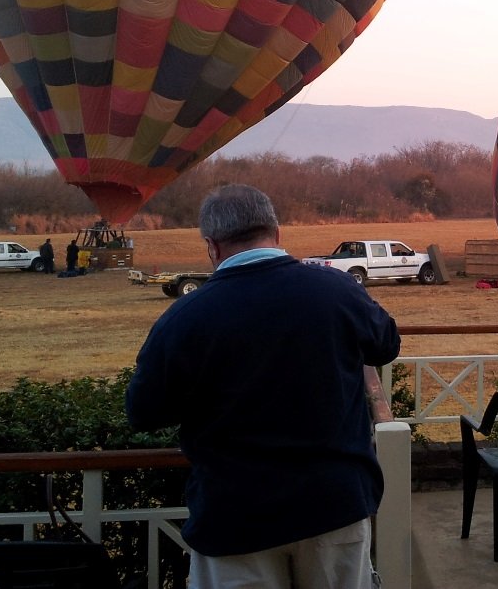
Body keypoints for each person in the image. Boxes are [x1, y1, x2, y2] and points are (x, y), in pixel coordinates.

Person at [126, 185, 401, 589]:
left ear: (212, 247)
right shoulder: (337, 290)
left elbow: (143, 411)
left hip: (235, 517)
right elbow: (387, 344)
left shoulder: (185, 317)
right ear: (277, 233)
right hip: (334, 505)